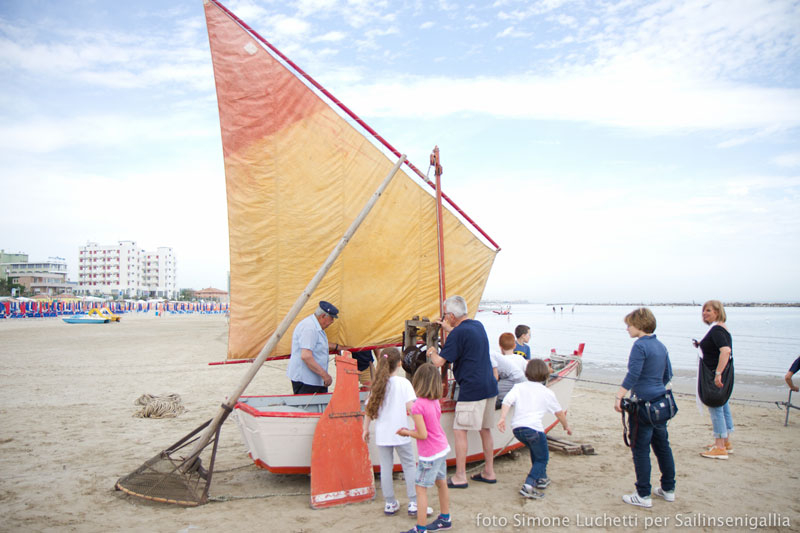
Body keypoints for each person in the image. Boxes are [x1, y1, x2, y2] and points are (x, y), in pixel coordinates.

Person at [427, 295, 498, 488]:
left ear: (450, 315)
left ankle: (460, 476)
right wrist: (449, 329)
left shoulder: (458, 334)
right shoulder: (477, 326)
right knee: (485, 430)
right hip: (490, 386)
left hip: (472, 389)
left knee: (460, 430)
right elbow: (463, 334)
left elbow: (439, 362)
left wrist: (431, 351)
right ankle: (489, 472)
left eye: (446, 315)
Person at [614, 307, 676, 508]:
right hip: (661, 402)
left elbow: (633, 374)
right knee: (662, 446)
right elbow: (667, 374)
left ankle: (643, 494)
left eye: (629, 325)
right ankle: (668, 489)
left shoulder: (640, 346)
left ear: (639, 325)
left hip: (643, 404)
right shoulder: (660, 345)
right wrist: (655, 385)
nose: (627, 329)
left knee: (640, 448)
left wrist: (619, 395)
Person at [363, 348, 430, 518]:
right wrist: (420, 426)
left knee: (386, 467)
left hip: (383, 434)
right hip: (402, 431)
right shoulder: (404, 384)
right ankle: (414, 501)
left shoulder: (377, 384)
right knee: (408, 465)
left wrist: (365, 429)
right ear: (400, 364)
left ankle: (390, 503)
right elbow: (411, 408)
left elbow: (369, 410)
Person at [497, 358, 571, 499]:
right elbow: (559, 412)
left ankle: (542, 478)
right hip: (534, 430)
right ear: (545, 374)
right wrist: (566, 425)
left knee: (536, 452)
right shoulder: (547, 392)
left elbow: (507, 401)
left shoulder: (519, 387)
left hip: (518, 430)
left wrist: (502, 417)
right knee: (542, 458)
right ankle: (529, 485)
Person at [397, 363, 452, 533]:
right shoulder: (434, 401)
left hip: (429, 454)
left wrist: (407, 432)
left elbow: (422, 434)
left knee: (420, 489)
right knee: (441, 482)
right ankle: (445, 518)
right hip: (442, 447)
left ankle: (420, 528)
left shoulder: (418, 406)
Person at [694, 300, 734, 459]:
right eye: (704, 311)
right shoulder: (721, 329)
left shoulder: (717, 329)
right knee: (723, 405)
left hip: (714, 374)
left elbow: (725, 351)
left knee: (715, 404)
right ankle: (725, 441)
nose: (704, 313)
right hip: (717, 372)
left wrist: (718, 373)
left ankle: (719, 446)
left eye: (708, 311)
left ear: (717, 312)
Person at [285, 301, 342, 394]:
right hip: (306, 381)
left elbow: (317, 343)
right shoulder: (309, 328)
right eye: (331, 318)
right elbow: (306, 356)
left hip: (314, 379)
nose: (332, 322)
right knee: (306, 407)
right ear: (323, 316)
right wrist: (325, 375)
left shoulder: (315, 326)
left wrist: (338, 347)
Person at [491, 332, 527, 407]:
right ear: (515, 346)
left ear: (500, 347)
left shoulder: (500, 360)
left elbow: (495, 377)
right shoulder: (520, 358)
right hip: (518, 392)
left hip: (503, 395)